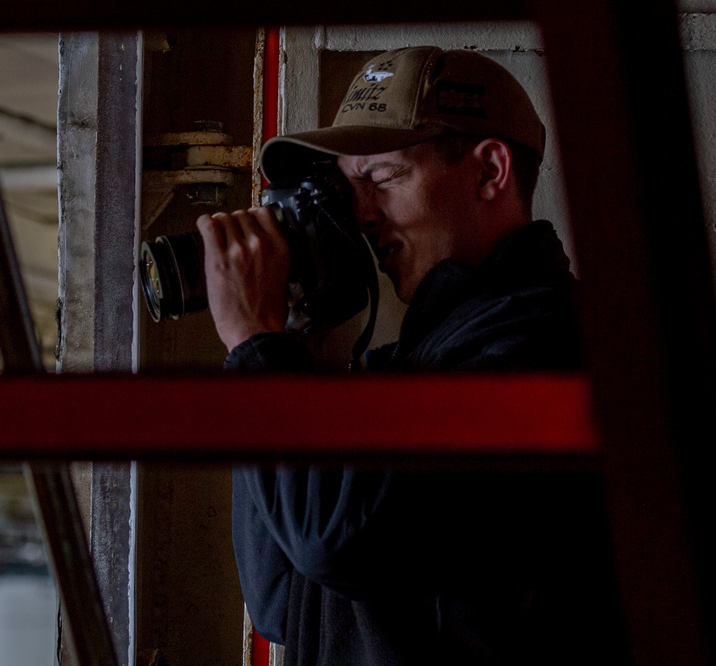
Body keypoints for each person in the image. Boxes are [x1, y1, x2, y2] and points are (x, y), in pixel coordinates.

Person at [196, 46, 627, 664]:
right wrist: (285, 341)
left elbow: (332, 544)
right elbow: (281, 602)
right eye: (350, 189)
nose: (362, 216)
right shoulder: (416, 366)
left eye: (382, 179)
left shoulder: (547, 349)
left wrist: (257, 348)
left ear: (489, 172)